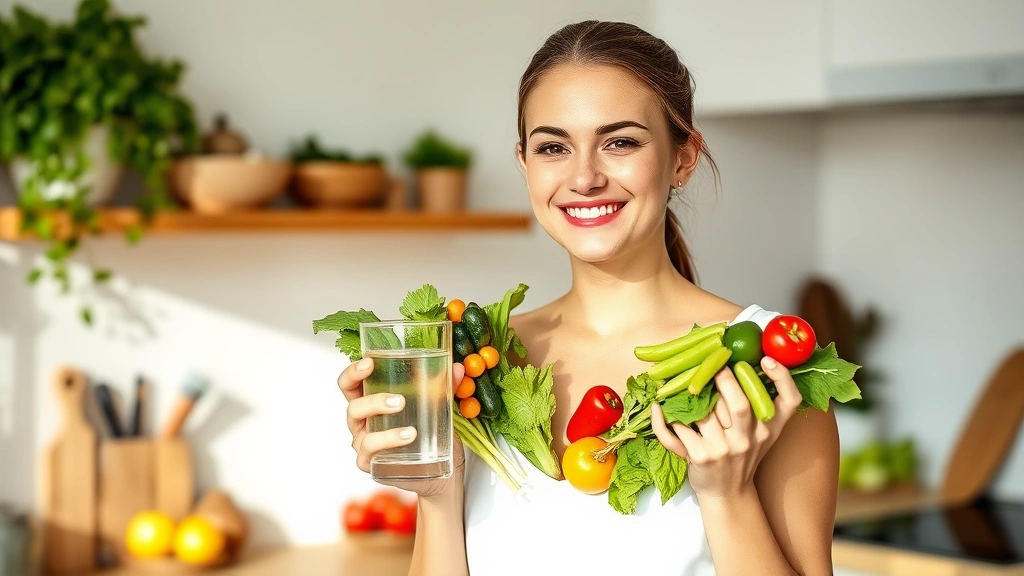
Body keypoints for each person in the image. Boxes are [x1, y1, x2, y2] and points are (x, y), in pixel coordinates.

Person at [338, 20, 839, 576]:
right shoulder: (471, 369)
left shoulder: (771, 369)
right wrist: (436, 491)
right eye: (553, 147)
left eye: (620, 142)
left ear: (683, 157)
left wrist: (726, 496)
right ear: (526, 164)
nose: (584, 177)